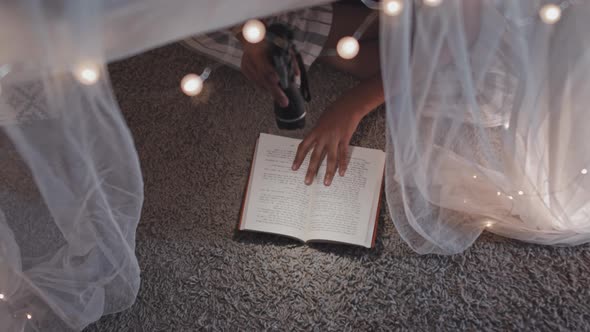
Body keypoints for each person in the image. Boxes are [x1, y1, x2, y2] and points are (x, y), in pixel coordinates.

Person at [184, 2, 384, 186]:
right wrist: (249, 37)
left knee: (401, 35)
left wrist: (351, 107)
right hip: (252, 27)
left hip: (287, 21)